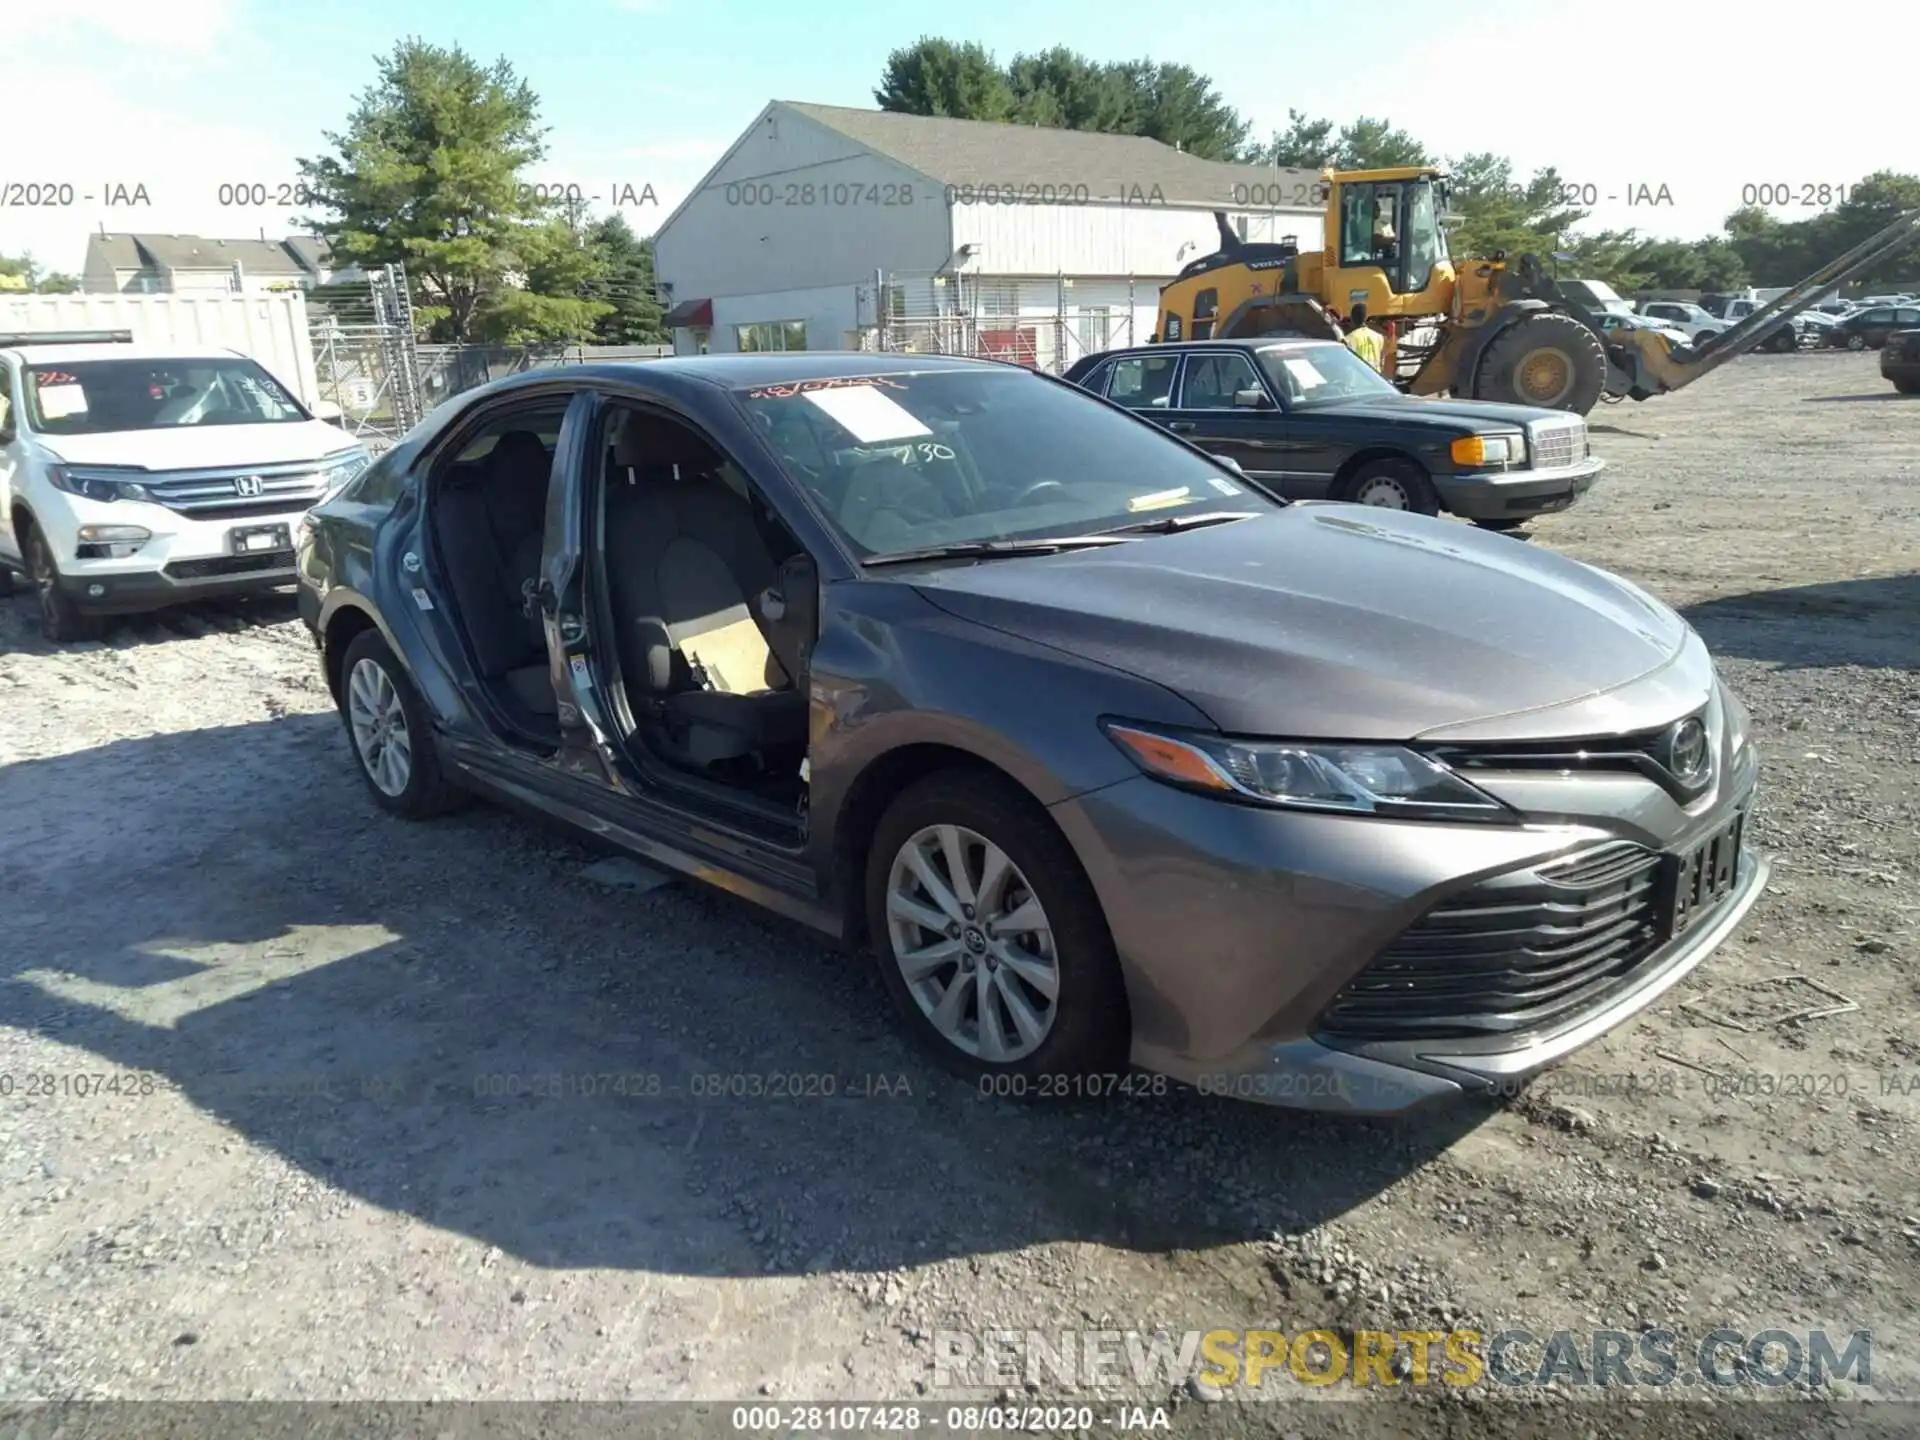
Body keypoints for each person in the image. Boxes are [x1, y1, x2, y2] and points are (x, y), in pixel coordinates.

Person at [1344, 302, 1385, 372]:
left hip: (1359, 379)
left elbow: (1346, 365)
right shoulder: (1378, 337)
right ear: (1366, 318)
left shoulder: (1348, 339)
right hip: (1375, 379)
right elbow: (1382, 362)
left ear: (1352, 318)